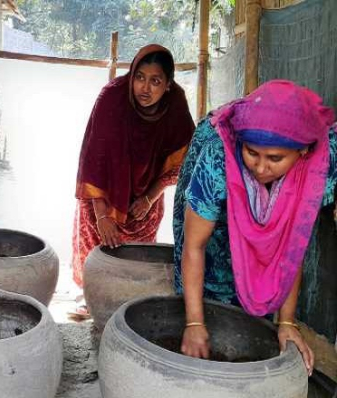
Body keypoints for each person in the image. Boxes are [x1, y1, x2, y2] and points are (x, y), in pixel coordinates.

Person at [174, 80, 336, 375]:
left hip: (288, 182)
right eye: (252, 153)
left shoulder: (319, 165)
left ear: (302, 152)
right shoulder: (216, 156)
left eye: (275, 158)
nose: (261, 168)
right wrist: (194, 323)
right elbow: (194, 245)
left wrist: (286, 322)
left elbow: (291, 241)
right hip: (218, 215)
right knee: (216, 264)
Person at [70, 44, 195, 318]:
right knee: (97, 250)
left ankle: (127, 301)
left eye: (155, 81)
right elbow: (94, 158)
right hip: (102, 195)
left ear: (168, 85)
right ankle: (89, 296)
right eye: (140, 77)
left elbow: (185, 157)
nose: (145, 88)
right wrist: (102, 216)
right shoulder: (112, 97)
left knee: (135, 260)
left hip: (146, 197)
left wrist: (150, 197)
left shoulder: (175, 106)